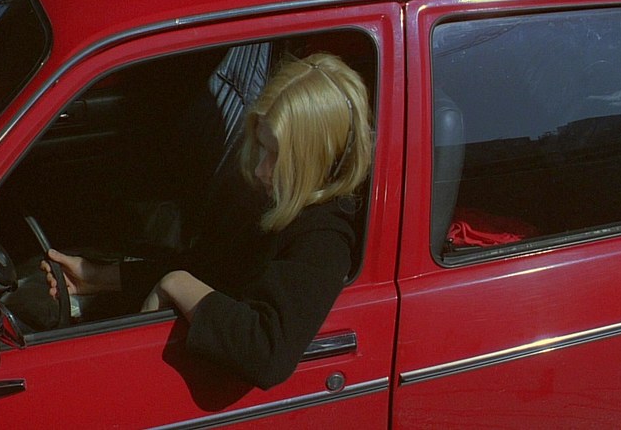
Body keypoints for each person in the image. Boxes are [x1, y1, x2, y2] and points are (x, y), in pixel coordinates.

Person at [43, 52, 373, 389]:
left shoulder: (325, 238)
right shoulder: (269, 195)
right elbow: (209, 266)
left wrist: (176, 283)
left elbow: (267, 352)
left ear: (314, 158)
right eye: (262, 146)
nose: (261, 168)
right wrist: (97, 277)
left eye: (278, 156)